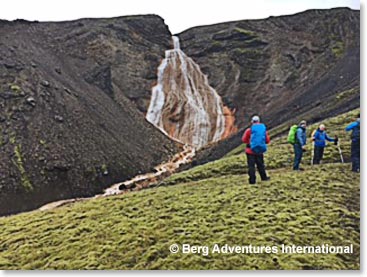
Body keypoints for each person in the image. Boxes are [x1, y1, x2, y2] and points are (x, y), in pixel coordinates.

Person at [242, 115, 270, 184]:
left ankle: (252, 180)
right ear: (259, 121)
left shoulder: (249, 130)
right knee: (260, 165)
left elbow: (244, 140)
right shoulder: (263, 130)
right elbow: (267, 140)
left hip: (250, 151)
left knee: (251, 166)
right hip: (259, 151)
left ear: (252, 122)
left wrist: (250, 142)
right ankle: (264, 177)